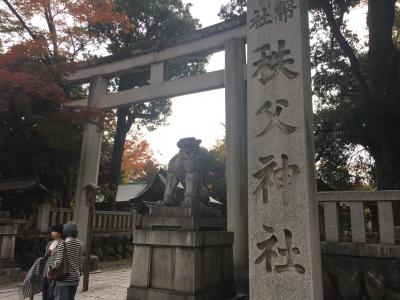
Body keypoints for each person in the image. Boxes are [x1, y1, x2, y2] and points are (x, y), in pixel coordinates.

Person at [49, 222, 84, 300]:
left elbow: (58, 262)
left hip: (64, 278)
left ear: (64, 233)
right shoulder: (80, 244)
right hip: (75, 278)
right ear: (75, 232)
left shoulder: (62, 245)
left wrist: (50, 267)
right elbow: (80, 261)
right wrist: (79, 272)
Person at [42, 225, 63, 300]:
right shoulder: (49, 244)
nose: (52, 233)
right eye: (52, 231)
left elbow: (60, 260)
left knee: (51, 295)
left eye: (55, 231)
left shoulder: (62, 244)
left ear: (60, 233)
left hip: (54, 273)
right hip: (45, 273)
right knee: (44, 293)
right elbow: (46, 257)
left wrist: (52, 268)